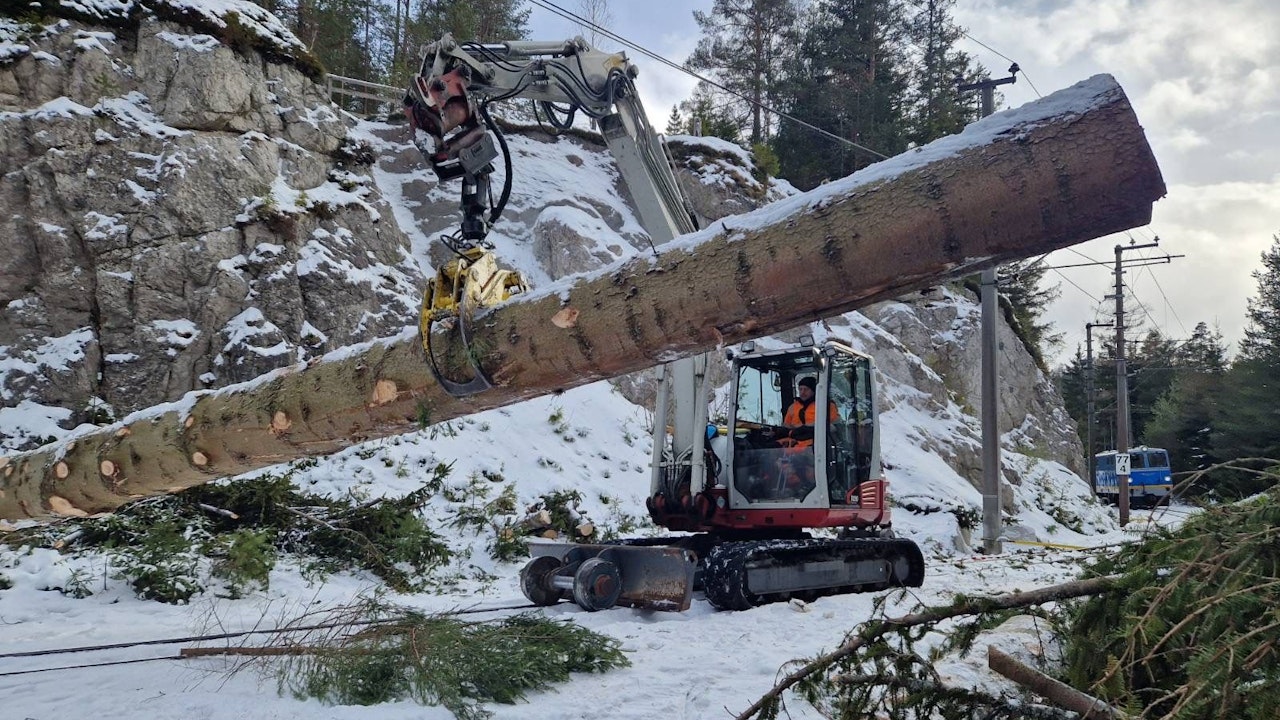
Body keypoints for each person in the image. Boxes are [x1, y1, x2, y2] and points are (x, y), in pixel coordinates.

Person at [782, 376, 839, 448]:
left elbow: (833, 427)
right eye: (800, 389)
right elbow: (786, 426)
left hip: (817, 444)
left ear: (814, 390)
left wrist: (809, 427)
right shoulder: (793, 407)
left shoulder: (826, 405)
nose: (802, 392)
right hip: (794, 443)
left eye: (806, 389)